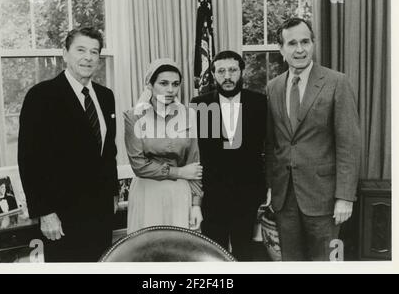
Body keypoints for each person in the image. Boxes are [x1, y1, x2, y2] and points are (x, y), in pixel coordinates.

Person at [18, 27, 118, 262]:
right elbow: (29, 160)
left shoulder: (105, 96)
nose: (88, 57)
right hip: (62, 215)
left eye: (94, 52)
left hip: (101, 212)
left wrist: (113, 193)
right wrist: (45, 212)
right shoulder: (41, 96)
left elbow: (108, 151)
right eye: (81, 50)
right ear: (65, 53)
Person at [266, 17, 361, 261]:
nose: (300, 49)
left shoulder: (336, 82)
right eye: (292, 43)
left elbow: (349, 144)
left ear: (313, 43)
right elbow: (273, 143)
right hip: (284, 199)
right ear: (281, 49)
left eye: (305, 42)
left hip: (324, 200)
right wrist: (270, 187)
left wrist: (344, 197)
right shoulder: (273, 87)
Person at [191, 50, 267, 261]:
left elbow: (270, 148)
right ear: (213, 74)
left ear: (242, 71)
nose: (227, 76)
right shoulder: (200, 105)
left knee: (245, 252)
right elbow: (196, 152)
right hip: (213, 196)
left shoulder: (259, 103)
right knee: (213, 254)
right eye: (221, 71)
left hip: (248, 195)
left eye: (233, 70)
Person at [124, 58, 203, 234]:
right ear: (149, 84)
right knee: (147, 251)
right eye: (163, 83)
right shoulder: (133, 116)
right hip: (147, 193)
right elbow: (139, 165)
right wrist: (180, 172)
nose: (170, 90)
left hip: (180, 194)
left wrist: (196, 204)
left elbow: (194, 164)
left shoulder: (189, 115)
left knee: (178, 251)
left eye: (175, 84)